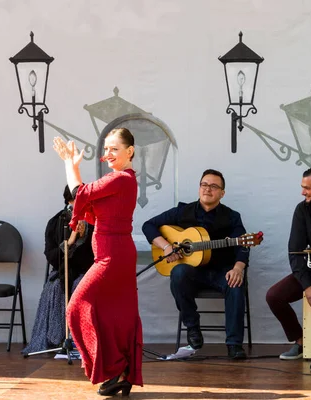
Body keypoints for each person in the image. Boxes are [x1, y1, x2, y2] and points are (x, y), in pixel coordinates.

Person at [52, 128, 142, 397]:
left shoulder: (122, 180)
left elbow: (80, 192)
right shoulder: (119, 182)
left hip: (112, 257)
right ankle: (121, 373)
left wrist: (69, 164)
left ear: (130, 151)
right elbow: (87, 205)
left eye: (114, 149)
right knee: (114, 316)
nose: (108, 154)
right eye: (106, 149)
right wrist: (74, 168)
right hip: (114, 254)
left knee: (77, 307)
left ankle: (115, 369)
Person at [142, 169, 249, 360]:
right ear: (199, 188)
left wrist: (238, 268)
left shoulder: (232, 217)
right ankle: (192, 328)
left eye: (214, 186)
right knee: (178, 272)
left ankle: (234, 344)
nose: (208, 189)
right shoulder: (183, 211)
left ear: (222, 193)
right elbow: (148, 225)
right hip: (193, 274)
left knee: (235, 284)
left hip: (221, 272)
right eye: (204, 185)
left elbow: (243, 244)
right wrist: (166, 247)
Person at [266, 166, 311, 360]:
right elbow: (295, 251)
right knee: (274, 296)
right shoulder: (302, 209)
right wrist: (307, 285)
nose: (302, 192)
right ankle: (301, 341)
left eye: (307, 188)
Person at [21, 186, 94, 356]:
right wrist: (71, 241)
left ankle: (82, 341)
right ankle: (60, 339)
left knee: (80, 287)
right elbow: (52, 257)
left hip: (87, 270)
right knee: (55, 288)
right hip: (63, 271)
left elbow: (95, 254)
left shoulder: (94, 222)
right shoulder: (56, 222)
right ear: (69, 201)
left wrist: (84, 238)